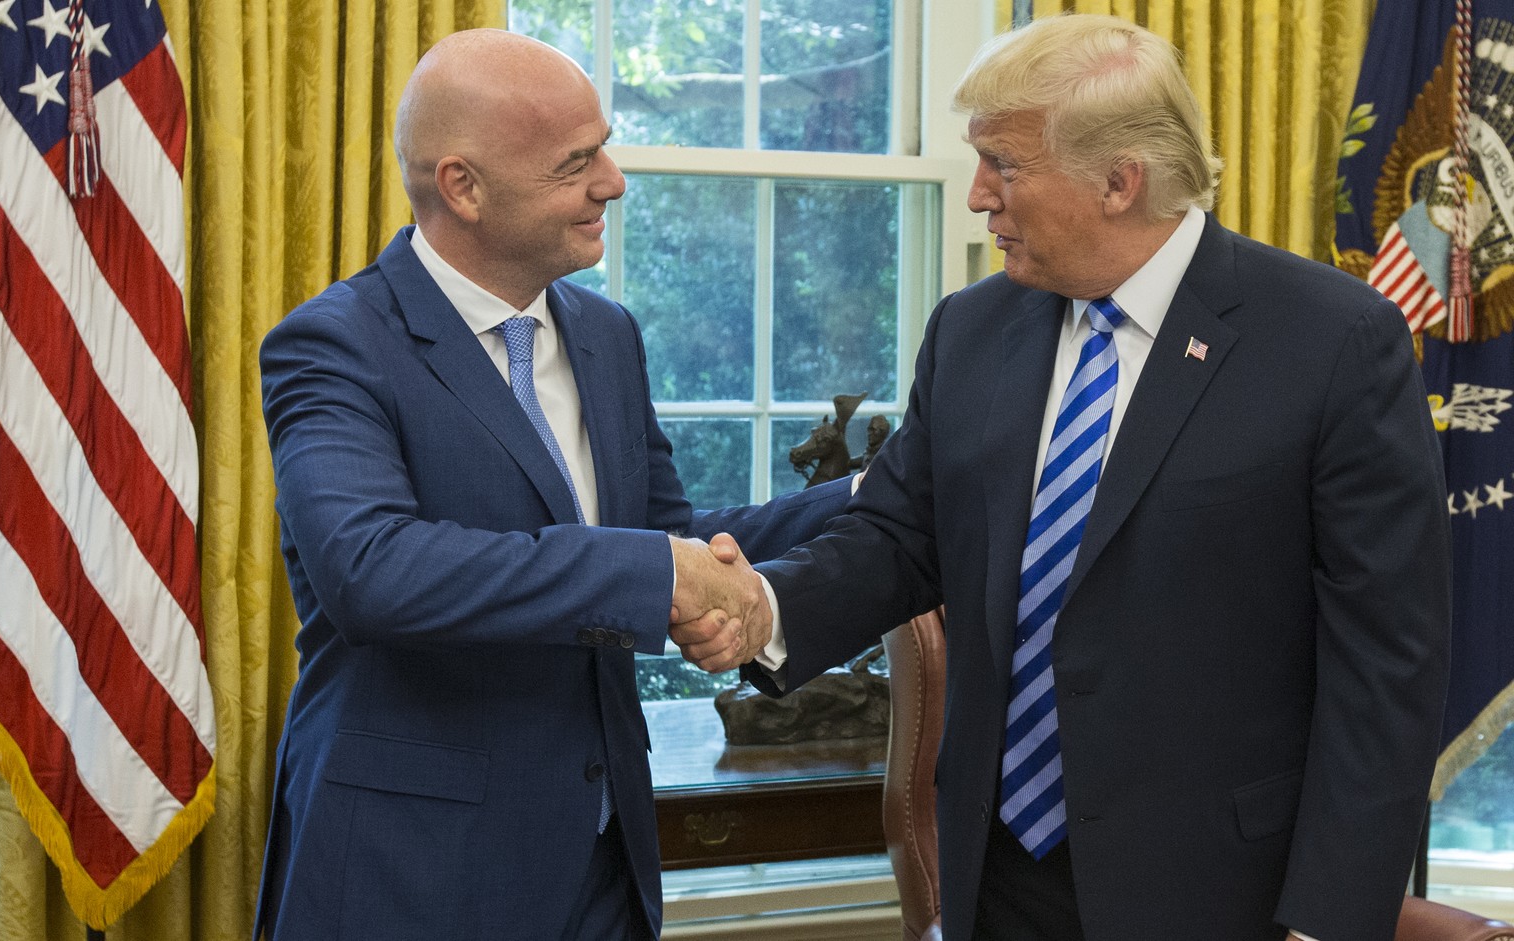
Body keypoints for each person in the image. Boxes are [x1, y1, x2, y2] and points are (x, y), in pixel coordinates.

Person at [685, 13, 1452, 941]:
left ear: (1119, 181)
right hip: (1000, 873)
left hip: (1223, 889)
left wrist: (1327, 922)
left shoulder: (1332, 340)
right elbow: (897, 536)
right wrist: (764, 612)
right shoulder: (972, 331)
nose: (977, 197)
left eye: (1001, 164)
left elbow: (1387, 665)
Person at [253, 29, 849, 941]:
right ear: (463, 186)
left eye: (603, 146)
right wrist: (662, 577)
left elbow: (666, 533)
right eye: (577, 162)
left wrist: (874, 499)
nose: (612, 180)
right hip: (413, 870)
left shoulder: (608, 335)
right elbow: (373, 570)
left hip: (604, 864)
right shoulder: (335, 346)